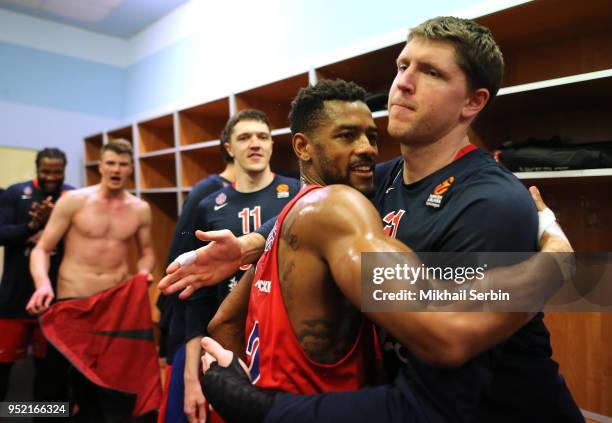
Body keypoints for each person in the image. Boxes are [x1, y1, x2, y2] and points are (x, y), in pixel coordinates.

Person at [163, 16, 583, 423]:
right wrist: (246, 245)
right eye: (403, 65)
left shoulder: (489, 203)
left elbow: (439, 399)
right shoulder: (379, 180)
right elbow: (311, 212)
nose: (403, 82)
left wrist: (260, 408)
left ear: (473, 102)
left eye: (431, 72)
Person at [26, 139, 161, 422]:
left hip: (113, 309)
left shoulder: (140, 209)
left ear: (130, 169)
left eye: (123, 164)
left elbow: (148, 254)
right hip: (71, 304)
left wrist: (143, 272)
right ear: (100, 166)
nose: (116, 169)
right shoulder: (74, 201)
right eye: (110, 163)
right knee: (53, 386)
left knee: (101, 385)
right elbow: (42, 248)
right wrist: (42, 284)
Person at [182, 109, 300, 423]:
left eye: (263, 136)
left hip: (285, 338)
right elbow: (197, 296)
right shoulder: (210, 205)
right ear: (229, 148)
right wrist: (191, 377)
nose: (255, 144)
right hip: (229, 336)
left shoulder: (298, 194)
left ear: (273, 145)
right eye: (244, 137)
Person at [158, 138, 234, 423]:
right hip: (192, 315)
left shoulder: (280, 189)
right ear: (229, 147)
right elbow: (182, 257)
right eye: (245, 137)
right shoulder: (208, 192)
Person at [0, 148, 73, 402]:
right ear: (37, 168)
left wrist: (56, 227)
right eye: (46, 171)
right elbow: (2, 233)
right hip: (13, 299)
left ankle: (43, 418)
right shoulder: (14, 193)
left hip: (56, 301)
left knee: (51, 378)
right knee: (2, 371)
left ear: (64, 170)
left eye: (57, 172)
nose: (51, 177)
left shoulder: (73, 196)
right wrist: (32, 226)